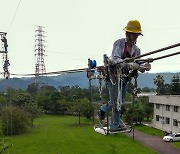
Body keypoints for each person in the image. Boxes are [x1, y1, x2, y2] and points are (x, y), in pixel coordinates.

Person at [99, 19, 143, 130]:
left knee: (120, 102)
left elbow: (139, 62)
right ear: (128, 33)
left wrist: (142, 66)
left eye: (137, 35)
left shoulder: (137, 50)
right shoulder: (118, 43)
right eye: (134, 34)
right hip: (114, 76)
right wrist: (129, 63)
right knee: (114, 102)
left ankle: (115, 124)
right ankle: (105, 112)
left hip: (124, 78)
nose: (135, 37)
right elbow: (115, 59)